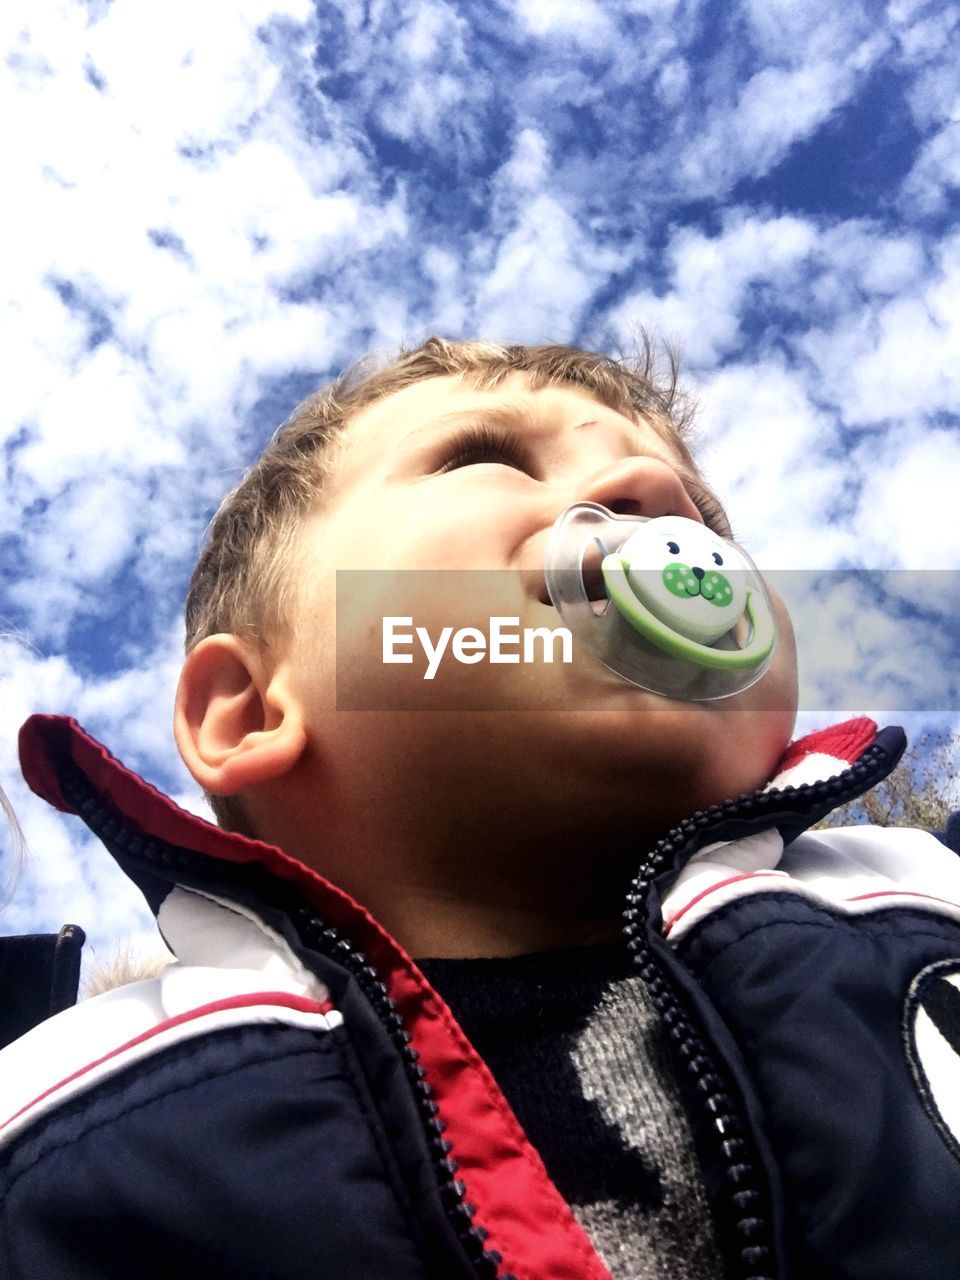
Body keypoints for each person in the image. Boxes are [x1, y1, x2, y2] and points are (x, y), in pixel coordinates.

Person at [2, 337, 959, 1280]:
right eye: (487, 455)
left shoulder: (920, 899)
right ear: (251, 711)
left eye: (704, 514)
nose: (655, 497)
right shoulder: (86, 1114)